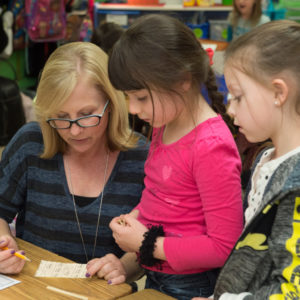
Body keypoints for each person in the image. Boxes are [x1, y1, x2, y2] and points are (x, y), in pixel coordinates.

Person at [87, 14, 243, 300]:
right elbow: (162, 198)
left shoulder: (211, 146)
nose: (132, 109)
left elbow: (224, 246)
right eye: (127, 98)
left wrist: (146, 242)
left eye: (141, 98)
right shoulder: (164, 124)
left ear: (183, 80)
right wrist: (133, 221)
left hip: (191, 286)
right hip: (156, 275)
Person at [0, 42, 148, 277]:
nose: (74, 131)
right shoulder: (30, 142)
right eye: (60, 117)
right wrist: (3, 243)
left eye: (87, 115)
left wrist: (124, 267)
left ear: (112, 104)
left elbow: (154, 241)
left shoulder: (142, 156)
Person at [192, 20, 300, 300]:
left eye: (238, 97)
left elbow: (293, 290)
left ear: (279, 93)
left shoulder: (296, 182)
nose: (230, 109)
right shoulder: (266, 158)